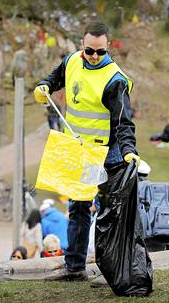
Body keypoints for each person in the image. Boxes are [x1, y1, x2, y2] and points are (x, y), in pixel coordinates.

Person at [34, 21, 139, 280]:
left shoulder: (115, 80)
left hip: (106, 152)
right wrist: (44, 86)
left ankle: (109, 270)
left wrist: (128, 149)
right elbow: (55, 78)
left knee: (107, 213)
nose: (94, 57)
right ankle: (74, 267)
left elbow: (124, 122)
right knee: (78, 209)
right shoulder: (71, 61)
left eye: (100, 52)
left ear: (108, 48)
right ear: (82, 45)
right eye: (89, 51)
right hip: (78, 151)